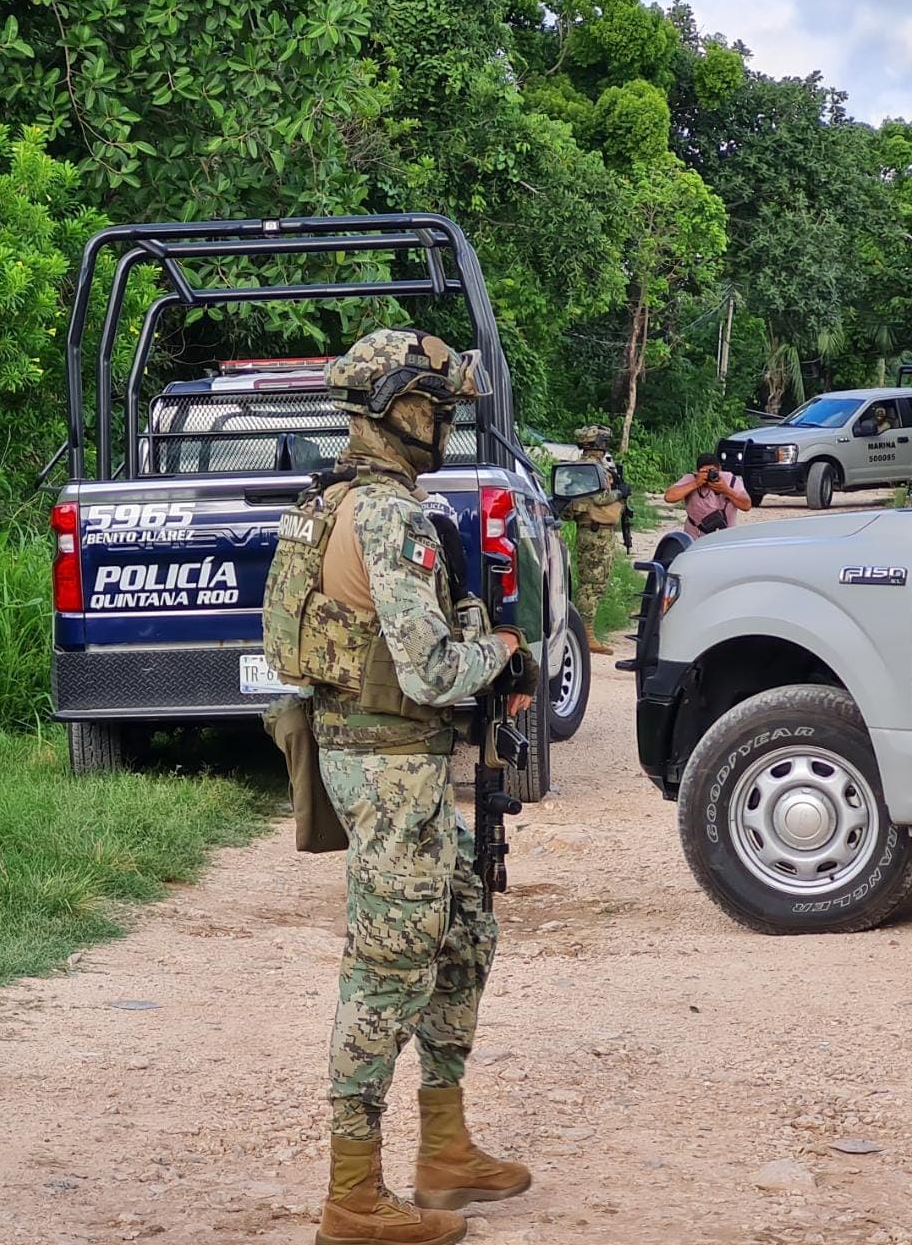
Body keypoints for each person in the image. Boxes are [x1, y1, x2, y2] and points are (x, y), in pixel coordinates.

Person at [274, 329, 536, 1245]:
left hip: (394, 762)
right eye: (437, 405)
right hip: (386, 765)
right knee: (387, 965)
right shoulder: (382, 513)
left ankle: (444, 1149)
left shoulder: (340, 498)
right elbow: (428, 670)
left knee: (463, 928)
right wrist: (499, 649)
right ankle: (352, 1196)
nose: (447, 422)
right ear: (396, 407)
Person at [560, 424, 630, 657]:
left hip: (597, 530)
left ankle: (583, 631)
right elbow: (600, 497)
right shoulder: (591, 468)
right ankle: (585, 633)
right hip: (594, 531)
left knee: (596, 583)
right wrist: (621, 493)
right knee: (592, 584)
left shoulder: (590, 466)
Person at [664, 451, 751, 540]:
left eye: (713, 471)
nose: (710, 475)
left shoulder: (730, 480)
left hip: (726, 537)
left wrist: (726, 490)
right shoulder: (691, 479)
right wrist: (695, 483)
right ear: (698, 472)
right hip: (695, 537)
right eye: (705, 472)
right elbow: (669, 497)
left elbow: (746, 505)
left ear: (720, 469)